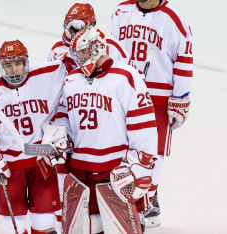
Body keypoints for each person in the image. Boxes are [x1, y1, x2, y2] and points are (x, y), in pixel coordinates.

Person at [52, 26, 158, 233]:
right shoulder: (71, 80)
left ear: (98, 47)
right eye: (78, 53)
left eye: (83, 52)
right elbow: (63, 117)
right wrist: (57, 137)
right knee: (80, 229)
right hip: (78, 171)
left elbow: (143, 125)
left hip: (114, 170)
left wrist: (142, 165)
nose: (80, 58)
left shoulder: (126, 76)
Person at [46, 3, 132, 230]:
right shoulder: (57, 50)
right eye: (69, 28)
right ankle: (63, 221)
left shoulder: (110, 45)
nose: (71, 34)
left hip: (102, 121)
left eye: (78, 29)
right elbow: (52, 90)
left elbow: (125, 84)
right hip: (73, 118)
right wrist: (56, 128)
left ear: (92, 25)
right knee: (65, 175)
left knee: (112, 178)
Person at [111, 0, 193, 227]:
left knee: (154, 152)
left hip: (158, 95)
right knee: (122, 147)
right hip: (124, 90)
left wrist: (181, 96)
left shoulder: (174, 17)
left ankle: (149, 203)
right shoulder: (122, 10)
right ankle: (123, 199)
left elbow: (184, 58)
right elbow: (113, 50)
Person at [0, 40, 67, 234]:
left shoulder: (45, 77)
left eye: (18, 63)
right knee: (13, 226)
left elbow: (71, 64)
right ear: (1, 66)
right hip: (10, 167)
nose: (14, 70)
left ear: (26, 62)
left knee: (45, 223)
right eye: (8, 65)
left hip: (40, 161)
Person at [47, 3, 130, 73]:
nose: (71, 31)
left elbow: (131, 73)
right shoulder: (57, 47)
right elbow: (52, 78)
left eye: (76, 28)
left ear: (91, 25)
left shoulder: (111, 45)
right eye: (69, 26)